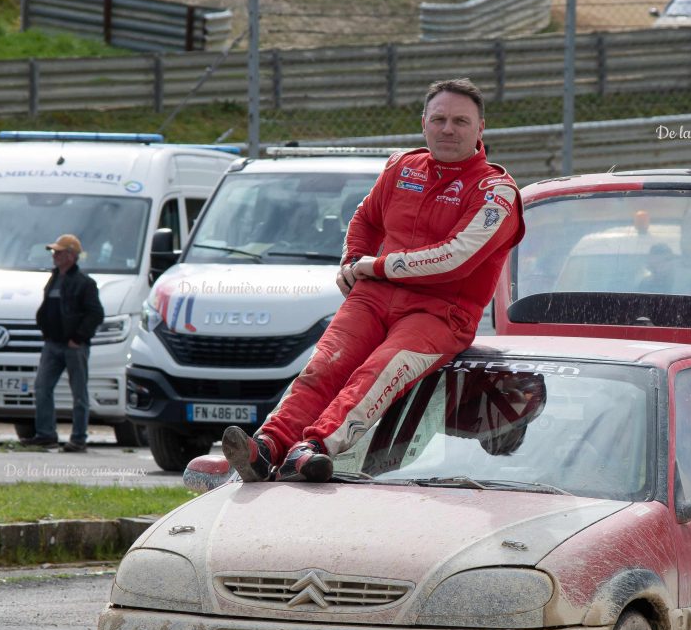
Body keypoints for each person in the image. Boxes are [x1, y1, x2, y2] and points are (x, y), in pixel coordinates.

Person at [219, 77, 525, 483]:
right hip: (373, 297)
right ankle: (266, 446)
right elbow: (366, 219)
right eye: (439, 119)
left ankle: (313, 448)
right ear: (424, 123)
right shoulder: (402, 166)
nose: (448, 129)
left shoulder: (497, 191)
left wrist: (374, 266)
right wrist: (351, 263)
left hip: (440, 313)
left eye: (460, 121)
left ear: (480, 128)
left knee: (376, 373)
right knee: (321, 368)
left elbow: (456, 259)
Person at [21, 234, 104, 451]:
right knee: (42, 387)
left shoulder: (85, 283)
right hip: (52, 345)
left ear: (71, 255)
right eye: (54, 252)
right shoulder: (54, 277)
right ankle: (46, 434)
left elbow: (96, 314)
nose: (54, 256)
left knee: (79, 393)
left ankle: (78, 439)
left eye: (58, 252)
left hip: (74, 347)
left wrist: (78, 338)